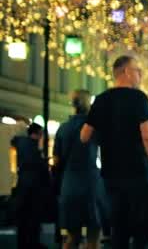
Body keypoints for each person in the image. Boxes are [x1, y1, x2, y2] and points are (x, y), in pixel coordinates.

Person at [80, 55, 148, 249]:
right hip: (137, 173)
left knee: (119, 230)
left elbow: (84, 136)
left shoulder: (101, 100)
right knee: (142, 230)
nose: (140, 74)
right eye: (137, 70)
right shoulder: (139, 98)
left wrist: (106, 138)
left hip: (111, 175)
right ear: (126, 72)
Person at [54, 89, 101, 249]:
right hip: (90, 184)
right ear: (89, 105)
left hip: (69, 184)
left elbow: (56, 160)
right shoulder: (94, 127)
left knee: (71, 237)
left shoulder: (63, 128)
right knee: (93, 236)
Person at [11, 123, 46, 249]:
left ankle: (22, 244)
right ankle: (33, 243)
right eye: (41, 134)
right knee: (33, 217)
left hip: (22, 185)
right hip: (33, 187)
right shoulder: (33, 147)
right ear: (36, 133)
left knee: (23, 218)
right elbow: (39, 167)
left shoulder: (20, 143)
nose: (42, 136)